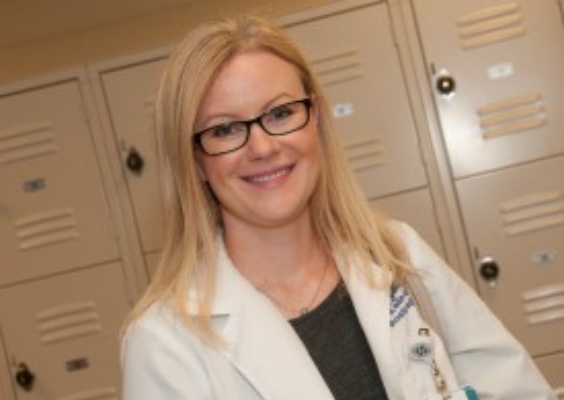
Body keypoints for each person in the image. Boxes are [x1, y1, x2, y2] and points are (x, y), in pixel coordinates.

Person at [120, 14, 556, 400]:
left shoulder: (397, 254)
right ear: (193, 160)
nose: (263, 146)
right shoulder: (164, 343)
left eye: (280, 113)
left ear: (317, 121)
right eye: (225, 129)